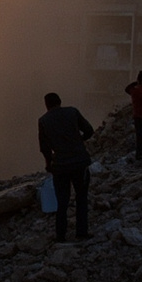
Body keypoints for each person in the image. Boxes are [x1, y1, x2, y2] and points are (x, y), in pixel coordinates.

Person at [37, 92, 94, 242]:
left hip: (60, 166)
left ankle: (60, 236)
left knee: (62, 202)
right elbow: (89, 130)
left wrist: (49, 164)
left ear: (46, 105)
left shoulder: (43, 121)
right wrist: (79, 142)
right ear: (60, 101)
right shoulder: (72, 112)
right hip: (79, 162)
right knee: (81, 198)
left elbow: (44, 148)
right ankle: (81, 233)